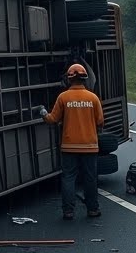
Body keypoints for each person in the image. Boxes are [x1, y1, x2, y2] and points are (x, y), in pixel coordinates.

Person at [36, 63, 104, 220]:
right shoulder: (93, 98)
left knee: (68, 178)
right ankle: (93, 209)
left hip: (69, 146)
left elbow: (52, 119)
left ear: (69, 79)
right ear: (85, 79)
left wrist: (42, 112)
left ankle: (68, 211)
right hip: (89, 146)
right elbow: (100, 121)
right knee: (90, 178)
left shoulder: (63, 97)